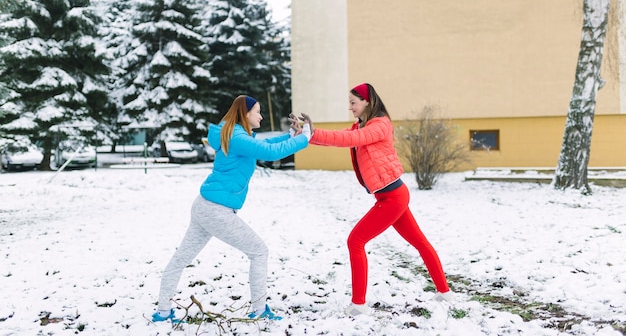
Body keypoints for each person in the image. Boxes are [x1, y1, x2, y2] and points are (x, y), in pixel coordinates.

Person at [152, 95, 311, 323]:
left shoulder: (236, 134)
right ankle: (258, 309)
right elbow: (270, 153)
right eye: (257, 111)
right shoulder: (236, 136)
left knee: (181, 258)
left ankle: (163, 312)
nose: (261, 116)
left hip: (205, 206)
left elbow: (264, 146)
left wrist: (290, 136)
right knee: (258, 251)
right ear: (245, 114)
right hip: (216, 210)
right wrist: (305, 138)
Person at [302, 83, 453, 316]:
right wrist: (307, 135)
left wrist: (312, 133)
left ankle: (359, 305)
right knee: (420, 243)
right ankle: (445, 292)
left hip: (393, 197)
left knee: (356, 241)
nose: (350, 107)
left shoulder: (380, 125)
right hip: (391, 195)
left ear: (367, 102)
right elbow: (340, 137)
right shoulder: (361, 125)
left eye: (353, 103)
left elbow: (352, 139)